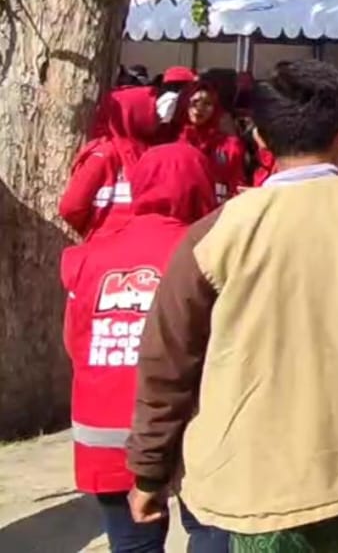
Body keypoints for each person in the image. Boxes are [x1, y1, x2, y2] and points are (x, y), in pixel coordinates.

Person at [126, 60, 338, 547]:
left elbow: (168, 361)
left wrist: (150, 469)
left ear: (260, 139)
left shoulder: (218, 233)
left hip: (253, 480)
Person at [62, 143, 222, 553]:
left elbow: (74, 341)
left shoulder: (91, 255)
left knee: (132, 545)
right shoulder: (206, 251)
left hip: (105, 432)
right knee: (211, 532)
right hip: (189, 425)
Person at [61, 87, 161, 240]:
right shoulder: (104, 155)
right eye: (153, 111)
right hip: (106, 243)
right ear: (135, 114)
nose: (158, 116)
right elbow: (71, 207)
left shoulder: (153, 155)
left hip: (139, 242)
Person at [175, 81, 247, 201]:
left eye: (207, 103)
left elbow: (236, 183)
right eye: (195, 102)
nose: (200, 108)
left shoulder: (228, 146)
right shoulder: (171, 141)